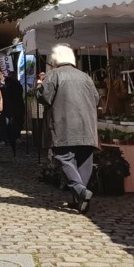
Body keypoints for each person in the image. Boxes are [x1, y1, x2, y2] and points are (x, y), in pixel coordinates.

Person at [36, 42, 99, 215]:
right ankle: (80, 199)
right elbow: (96, 99)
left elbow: (44, 97)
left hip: (63, 125)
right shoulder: (85, 76)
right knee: (84, 161)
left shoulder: (54, 75)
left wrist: (39, 85)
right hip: (87, 127)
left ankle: (80, 191)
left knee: (64, 158)